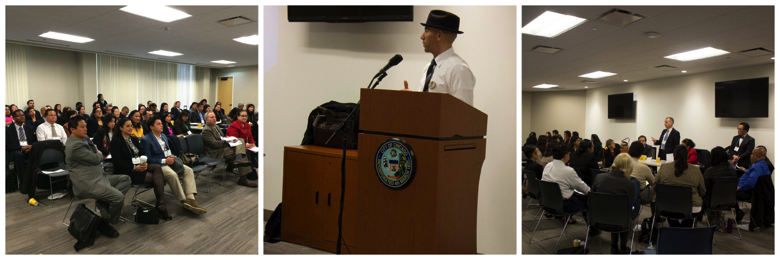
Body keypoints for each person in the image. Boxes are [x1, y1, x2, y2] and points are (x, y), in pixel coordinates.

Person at [65, 116, 131, 237]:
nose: (86, 129)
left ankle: (104, 203)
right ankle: (105, 223)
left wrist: (96, 150)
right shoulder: (74, 146)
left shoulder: (84, 139)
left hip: (99, 177)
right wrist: (99, 152)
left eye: (86, 126)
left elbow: (95, 153)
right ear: (73, 130)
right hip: (88, 183)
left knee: (125, 179)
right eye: (82, 127)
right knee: (118, 198)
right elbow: (97, 158)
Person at [400, 10, 475, 106]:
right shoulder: (429, 68)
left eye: (426, 31)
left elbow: (463, 113)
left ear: (439, 35)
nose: (422, 36)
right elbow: (425, 108)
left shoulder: (458, 69)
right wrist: (413, 99)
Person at [140, 115, 206, 215]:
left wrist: (171, 157)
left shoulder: (164, 136)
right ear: (151, 127)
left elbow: (168, 151)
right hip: (159, 165)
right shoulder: (146, 139)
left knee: (188, 170)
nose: (161, 125)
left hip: (169, 161)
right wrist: (164, 161)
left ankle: (190, 198)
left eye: (161, 124)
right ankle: (183, 201)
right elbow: (148, 159)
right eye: (158, 124)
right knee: (172, 175)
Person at [110, 117, 172, 220]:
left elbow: (142, 154)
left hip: (140, 166)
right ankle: (162, 207)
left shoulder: (134, 139)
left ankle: (161, 203)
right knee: (158, 178)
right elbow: (117, 163)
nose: (130, 128)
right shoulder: (116, 142)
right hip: (127, 171)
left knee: (156, 167)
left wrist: (145, 164)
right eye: (128, 126)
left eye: (131, 126)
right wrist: (134, 168)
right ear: (121, 128)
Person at [591, 153, 640, 254]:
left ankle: (614, 246)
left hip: (597, 220)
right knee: (624, 215)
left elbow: (591, 198)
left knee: (615, 213)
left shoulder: (599, 177)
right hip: (620, 223)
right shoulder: (629, 184)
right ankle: (623, 247)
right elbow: (629, 207)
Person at [653, 145, 706, 227]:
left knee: (669, 210)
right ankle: (684, 230)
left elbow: (655, 186)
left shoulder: (664, 167)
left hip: (666, 205)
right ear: (687, 155)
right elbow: (702, 191)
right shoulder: (696, 170)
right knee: (691, 215)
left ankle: (675, 227)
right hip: (692, 207)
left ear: (673, 155)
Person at [541, 142, 591, 225]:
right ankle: (592, 229)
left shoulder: (548, 166)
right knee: (589, 200)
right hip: (563, 205)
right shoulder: (568, 171)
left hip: (547, 203)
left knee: (570, 192)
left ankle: (566, 217)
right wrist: (591, 192)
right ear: (565, 156)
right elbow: (582, 187)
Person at [202, 112, 257, 187]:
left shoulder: (216, 127)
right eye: (212, 117)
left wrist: (227, 139)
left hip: (223, 147)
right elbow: (215, 144)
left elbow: (221, 138)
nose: (214, 118)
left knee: (240, 140)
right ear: (206, 119)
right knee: (242, 151)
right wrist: (227, 141)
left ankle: (239, 160)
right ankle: (243, 178)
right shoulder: (206, 130)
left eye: (214, 117)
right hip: (216, 151)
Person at [702, 146, 738, 232]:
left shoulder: (710, 171)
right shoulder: (733, 171)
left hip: (711, 202)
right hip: (729, 202)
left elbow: (704, 188)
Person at [734, 147, 771, 224]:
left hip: (749, 193)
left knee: (728, 193)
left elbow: (750, 182)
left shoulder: (756, 167)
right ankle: (738, 212)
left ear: (757, 155)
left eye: (752, 154)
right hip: (759, 194)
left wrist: (740, 187)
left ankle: (738, 212)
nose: (750, 156)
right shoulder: (764, 165)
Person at [7, 109, 38, 181]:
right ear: (14, 118)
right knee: (19, 155)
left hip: (29, 148)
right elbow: (8, 145)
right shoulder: (8, 130)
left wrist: (31, 146)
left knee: (37, 152)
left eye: (23, 115)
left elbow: (34, 141)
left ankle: (36, 179)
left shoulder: (28, 128)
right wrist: (21, 148)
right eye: (19, 115)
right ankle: (23, 182)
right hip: (16, 150)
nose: (22, 117)